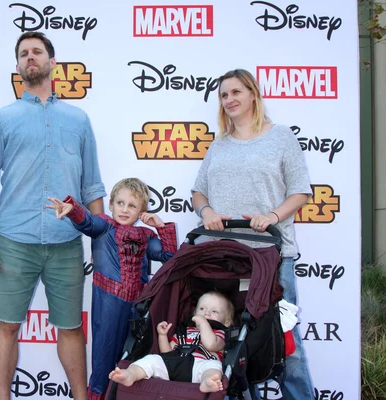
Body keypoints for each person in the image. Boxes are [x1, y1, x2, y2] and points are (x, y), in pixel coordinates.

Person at [0, 31, 106, 400]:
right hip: (13, 242)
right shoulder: (0, 119)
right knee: (7, 326)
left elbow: (92, 186)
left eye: (37, 51)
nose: (30, 57)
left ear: (52, 63)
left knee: (71, 328)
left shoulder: (78, 120)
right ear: (17, 67)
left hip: (66, 244)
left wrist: (102, 243)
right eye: (23, 53)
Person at [191, 68, 314, 399]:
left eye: (235, 92)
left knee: (285, 344)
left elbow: (301, 192)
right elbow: (198, 192)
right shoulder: (219, 145)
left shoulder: (281, 136)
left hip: (270, 255)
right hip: (225, 259)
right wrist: (207, 212)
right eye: (224, 95)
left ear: (253, 95)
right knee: (231, 343)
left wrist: (272, 215)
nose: (229, 99)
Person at [48, 177, 178, 400]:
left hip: (138, 306)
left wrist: (161, 227)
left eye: (132, 206)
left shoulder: (146, 237)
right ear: (111, 205)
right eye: (120, 203)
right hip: (108, 302)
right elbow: (87, 222)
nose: (125, 210)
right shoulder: (104, 226)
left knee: (135, 361)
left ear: (141, 211)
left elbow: (169, 257)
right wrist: (72, 210)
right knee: (103, 359)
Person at [109, 292, 234, 394]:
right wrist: (162, 336)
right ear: (194, 314)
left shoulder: (219, 334)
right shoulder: (184, 332)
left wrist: (204, 323)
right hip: (174, 363)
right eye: (202, 309)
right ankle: (131, 374)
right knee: (151, 359)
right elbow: (168, 353)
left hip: (200, 366)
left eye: (214, 311)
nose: (206, 313)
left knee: (214, 366)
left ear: (227, 322)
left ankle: (207, 382)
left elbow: (210, 345)